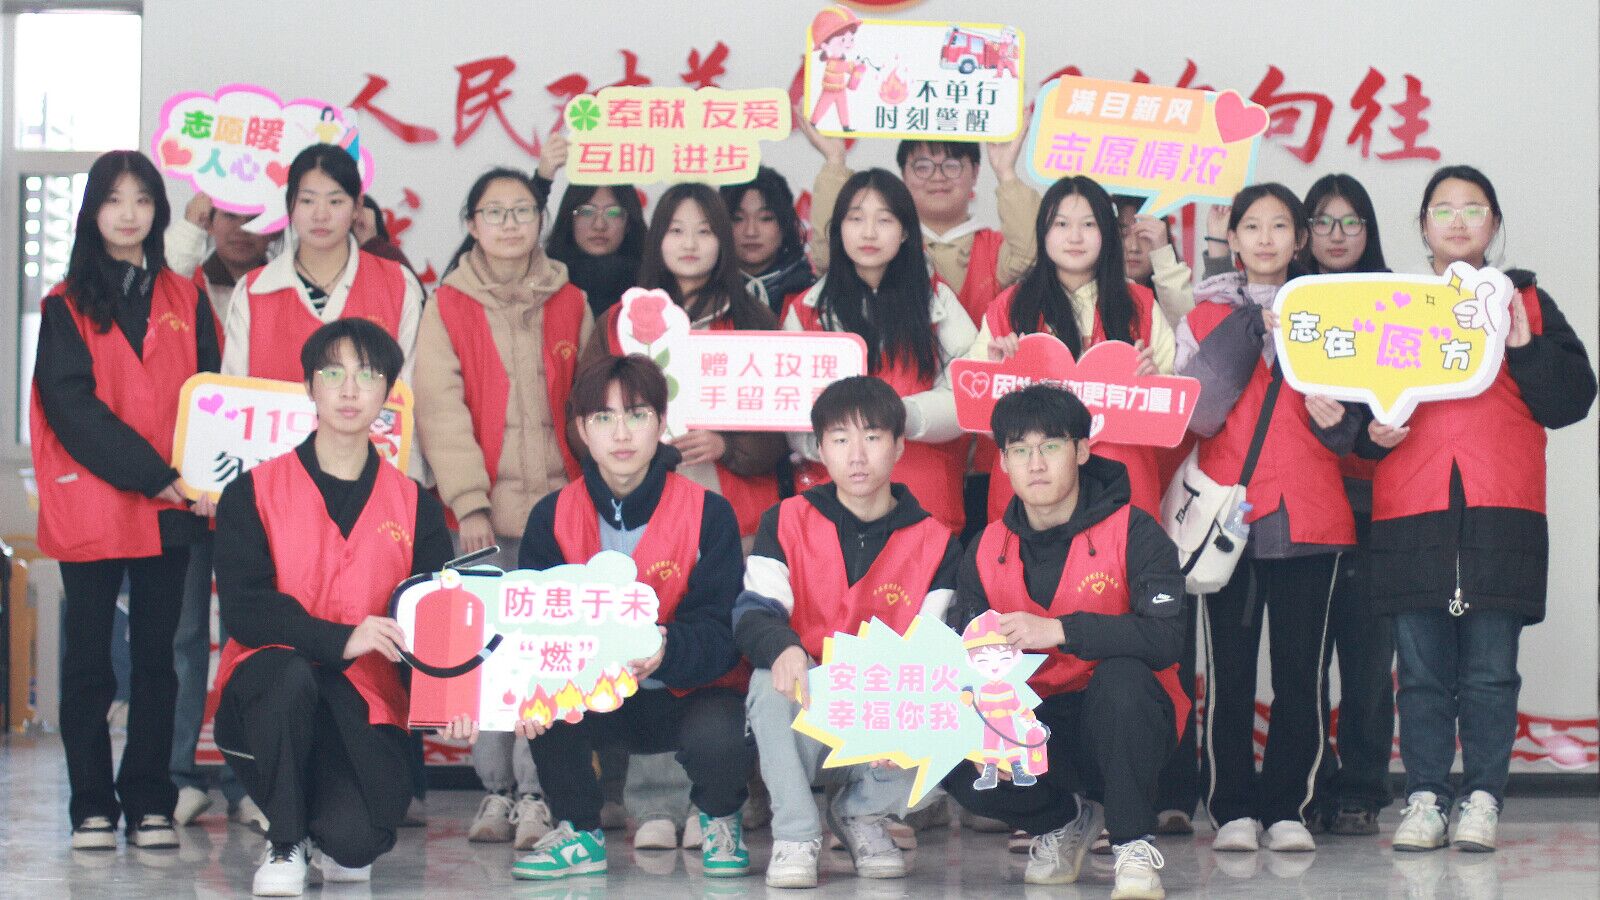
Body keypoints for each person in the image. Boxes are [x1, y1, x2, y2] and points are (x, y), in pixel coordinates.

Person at [1369, 166, 1594, 853]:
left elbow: (1572, 400)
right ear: (1423, 226)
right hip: (1413, 508)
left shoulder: (1527, 301)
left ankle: (1484, 799)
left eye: (1474, 208)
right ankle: (1426, 798)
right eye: (1444, 209)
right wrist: (1367, 434)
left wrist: (1523, 346)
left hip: (1501, 511)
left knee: (1492, 673)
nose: (1459, 220)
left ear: (1494, 223)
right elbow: (1350, 412)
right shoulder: (1393, 303)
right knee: (1421, 675)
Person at [211, 320, 451, 895]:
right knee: (288, 675)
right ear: (309, 387)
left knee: (356, 845)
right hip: (267, 694)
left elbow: (436, 620)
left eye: (367, 375)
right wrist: (341, 637)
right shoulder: (252, 492)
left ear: (388, 391)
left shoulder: (415, 505)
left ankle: (321, 826)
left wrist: (449, 694)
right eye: (333, 373)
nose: (349, 390)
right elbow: (245, 609)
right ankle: (285, 838)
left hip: (364, 703)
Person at [31, 149, 219, 850]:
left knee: (159, 662)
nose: (129, 213)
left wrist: (203, 479)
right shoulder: (64, 304)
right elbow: (71, 407)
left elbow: (211, 396)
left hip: (173, 508)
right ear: (92, 212)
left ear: (158, 210)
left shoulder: (186, 297)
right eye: (114, 200)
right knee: (89, 661)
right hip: (98, 501)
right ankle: (90, 804)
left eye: (142, 199)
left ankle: (148, 799)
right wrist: (153, 474)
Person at [513, 355, 754, 880]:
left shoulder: (709, 512)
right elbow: (530, 631)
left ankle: (719, 818)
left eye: (637, 415)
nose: (621, 433)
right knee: (543, 702)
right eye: (603, 418)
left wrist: (668, 648)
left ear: (661, 422)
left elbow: (723, 632)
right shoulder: (550, 516)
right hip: (593, 695)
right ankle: (578, 832)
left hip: (683, 691)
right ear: (581, 430)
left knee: (721, 727)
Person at [941, 385, 1187, 898]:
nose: (1035, 464)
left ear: (1081, 450)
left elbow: (1166, 638)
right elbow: (960, 656)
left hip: (1122, 724)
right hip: (1037, 726)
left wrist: (1060, 630)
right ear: (1002, 462)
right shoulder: (985, 547)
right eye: (1020, 450)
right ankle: (1061, 821)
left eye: (1050, 446)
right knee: (944, 736)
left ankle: (1132, 843)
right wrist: (973, 727)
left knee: (1122, 679)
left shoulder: (1135, 530)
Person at [415, 167, 596, 850]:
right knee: (487, 657)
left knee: (547, 656)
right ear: (472, 224)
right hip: (483, 518)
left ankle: (537, 794)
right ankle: (495, 790)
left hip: (562, 513)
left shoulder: (573, 301)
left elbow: (590, 402)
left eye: (522, 210)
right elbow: (440, 409)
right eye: (495, 212)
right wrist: (468, 502)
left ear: (539, 221)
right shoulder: (448, 304)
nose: (510, 223)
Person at [1175, 183, 1357, 854]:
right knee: (1228, 673)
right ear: (1232, 239)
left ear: (1300, 239)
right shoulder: (1202, 317)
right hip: (1231, 516)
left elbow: (1355, 428)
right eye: (1252, 226)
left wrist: (1337, 420)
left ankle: (1288, 809)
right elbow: (1198, 414)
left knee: (1301, 675)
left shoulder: (1332, 313)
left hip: (1311, 512)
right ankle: (1232, 810)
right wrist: (1250, 325)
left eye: (1281, 226)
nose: (1266, 239)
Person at [734, 376, 961, 888]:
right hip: (810, 705)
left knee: (953, 713)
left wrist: (904, 708)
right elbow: (754, 613)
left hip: (884, 709)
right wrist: (783, 645)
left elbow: (935, 648)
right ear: (819, 449)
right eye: (840, 439)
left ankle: (863, 813)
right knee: (768, 680)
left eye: (873, 437)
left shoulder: (936, 542)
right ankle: (796, 835)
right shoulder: (786, 520)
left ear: (899, 446)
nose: (857, 456)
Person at [161, 191, 273, 832]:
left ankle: (247, 781)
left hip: (258, 496)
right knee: (180, 639)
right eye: (229, 214)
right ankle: (178, 776)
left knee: (249, 637)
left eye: (256, 216)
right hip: (186, 486)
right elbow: (164, 276)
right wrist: (190, 224)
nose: (241, 228)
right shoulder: (184, 285)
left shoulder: (281, 288)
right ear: (210, 219)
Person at [784, 169, 976, 534]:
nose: (869, 232)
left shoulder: (937, 300)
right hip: (832, 506)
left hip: (924, 502)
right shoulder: (806, 311)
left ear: (905, 232)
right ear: (838, 229)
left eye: (884, 220)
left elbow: (969, 392)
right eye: (856, 219)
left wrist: (900, 415)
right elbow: (788, 410)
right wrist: (843, 440)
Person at [970, 176, 1172, 520]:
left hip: (1122, 493)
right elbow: (976, 414)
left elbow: (1174, 415)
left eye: (1088, 224)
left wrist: (1156, 384)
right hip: (1032, 498)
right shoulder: (1009, 308)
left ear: (1107, 232)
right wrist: (995, 380)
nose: (1075, 237)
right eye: (1061, 224)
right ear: (1043, 232)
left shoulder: (1140, 306)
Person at [1296, 173, 1396, 837]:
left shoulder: (1398, 302)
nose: (1337, 235)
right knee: (1305, 663)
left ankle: (1362, 788)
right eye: (1323, 221)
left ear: (1369, 230)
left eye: (1350, 221)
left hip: (1374, 505)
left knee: (1366, 660)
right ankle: (1313, 785)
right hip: (1302, 504)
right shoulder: (1289, 302)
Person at [221, 144, 423, 385]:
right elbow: (232, 392)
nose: (320, 215)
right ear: (290, 205)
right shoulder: (253, 292)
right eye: (307, 201)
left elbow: (409, 392)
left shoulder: (397, 285)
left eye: (335, 201)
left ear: (357, 208)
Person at [540, 132, 650, 318]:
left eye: (613, 212)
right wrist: (542, 179)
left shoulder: (652, 282)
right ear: (570, 219)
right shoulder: (544, 278)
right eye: (586, 212)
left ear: (629, 223)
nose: (599, 225)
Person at [719, 167, 817, 315]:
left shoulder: (810, 295)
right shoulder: (706, 292)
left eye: (765, 218)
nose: (751, 232)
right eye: (737, 218)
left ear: (785, 224)